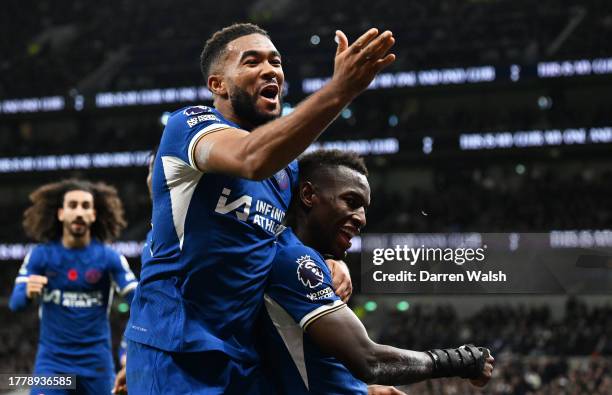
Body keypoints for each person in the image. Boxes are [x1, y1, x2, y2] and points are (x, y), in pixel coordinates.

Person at [125, 22, 395, 393]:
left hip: (244, 357)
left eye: (276, 62)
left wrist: (329, 260)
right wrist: (339, 90)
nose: (271, 70)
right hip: (175, 354)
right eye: (252, 62)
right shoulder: (188, 125)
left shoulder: (287, 171)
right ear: (218, 84)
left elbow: (286, 242)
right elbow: (251, 157)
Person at [259, 150, 495, 394]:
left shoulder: (292, 253)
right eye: (351, 202)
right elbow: (369, 361)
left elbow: (304, 362)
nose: (361, 218)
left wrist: (364, 391)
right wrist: (460, 360)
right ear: (308, 195)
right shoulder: (296, 260)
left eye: (364, 208)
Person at [9, 179, 138, 395]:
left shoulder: (109, 258)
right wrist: (27, 292)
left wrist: (128, 348)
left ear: (94, 215)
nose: (79, 212)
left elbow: (140, 304)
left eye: (86, 206)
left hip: (97, 367)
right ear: (61, 213)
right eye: (73, 205)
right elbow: (15, 303)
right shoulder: (41, 256)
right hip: (53, 367)